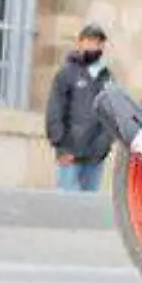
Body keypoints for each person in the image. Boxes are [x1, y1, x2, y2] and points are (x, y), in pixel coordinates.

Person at [45, 24, 116, 192]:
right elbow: (55, 110)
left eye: (98, 42)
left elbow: (113, 115)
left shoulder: (106, 77)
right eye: (90, 41)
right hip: (70, 153)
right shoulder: (66, 73)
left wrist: (103, 147)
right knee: (67, 205)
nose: (94, 46)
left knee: (88, 208)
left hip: (95, 157)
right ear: (80, 43)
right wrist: (61, 147)